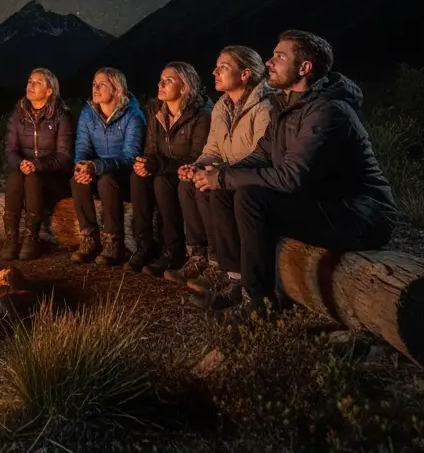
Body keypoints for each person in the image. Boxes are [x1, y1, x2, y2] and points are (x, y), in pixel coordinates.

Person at [193, 30, 398, 323]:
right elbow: (261, 155)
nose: (269, 61)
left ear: (304, 68)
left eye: (279, 56)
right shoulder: (285, 106)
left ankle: (258, 305)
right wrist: (220, 173)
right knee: (227, 189)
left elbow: (291, 178)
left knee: (251, 197)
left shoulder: (327, 110)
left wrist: (226, 178)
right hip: (322, 201)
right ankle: (240, 281)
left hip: (360, 215)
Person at [168, 46, 276, 300]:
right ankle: (204, 257)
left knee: (216, 191)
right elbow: (213, 148)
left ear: (245, 74)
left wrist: (218, 173)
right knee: (190, 185)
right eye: (216, 66)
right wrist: (199, 165)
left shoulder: (264, 107)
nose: (215, 71)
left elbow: (261, 155)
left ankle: (227, 269)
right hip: (227, 173)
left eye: (224, 67)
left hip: (250, 179)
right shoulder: (222, 107)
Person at [128, 62, 211, 276]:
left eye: (168, 81)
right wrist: (145, 163)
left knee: (161, 182)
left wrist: (157, 165)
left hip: (186, 171)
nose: (160, 84)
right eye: (160, 79)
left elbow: (196, 156)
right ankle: (144, 244)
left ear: (184, 88)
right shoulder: (156, 110)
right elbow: (152, 148)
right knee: (138, 178)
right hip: (163, 168)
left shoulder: (201, 114)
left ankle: (173, 249)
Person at [70, 68, 146, 266]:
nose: (95, 88)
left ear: (117, 90)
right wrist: (81, 167)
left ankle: (114, 242)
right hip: (96, 168)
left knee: (106, 180)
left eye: (102, 84)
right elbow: (82, 147)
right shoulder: (88, 113)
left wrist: (97, 165)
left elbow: (130, 157)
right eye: (94, 84)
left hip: (123, 174)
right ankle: (89, 238)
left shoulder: (133, 116)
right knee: (77, 180)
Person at [2, 67, 73, 261]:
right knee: (15, 175)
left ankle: (32, 237)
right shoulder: (18, 115)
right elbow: (9, 151)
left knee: (32, 178)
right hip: (26, 172)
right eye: (29, 81)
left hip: (53, 178)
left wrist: (37, 165)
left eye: (37, 83)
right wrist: (22, 163)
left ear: (49, 91)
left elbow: (65, 157)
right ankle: (12, 238)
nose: (30, 86)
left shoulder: (61, 117)